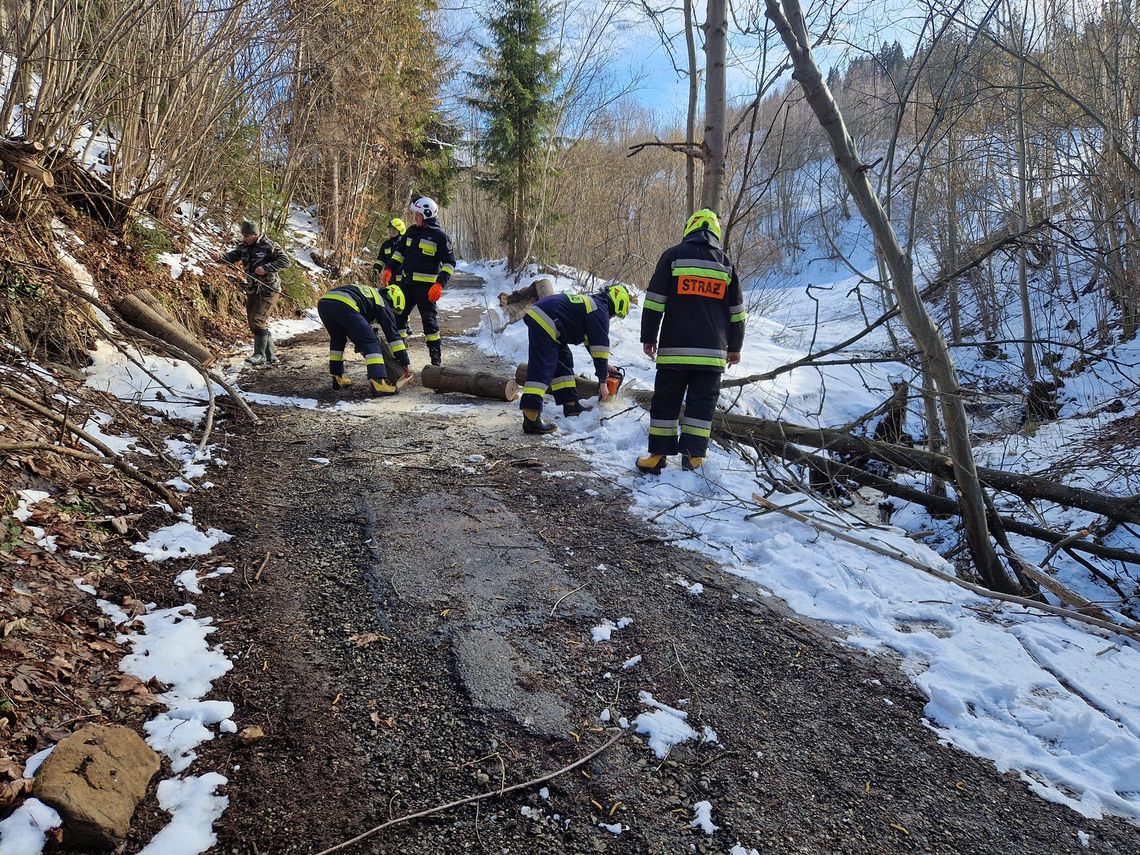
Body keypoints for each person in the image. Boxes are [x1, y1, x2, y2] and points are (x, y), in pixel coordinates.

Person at [637, 209, 746, 473]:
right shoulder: (725, 263)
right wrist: (735, 347)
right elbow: (737, 313)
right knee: (701, 404)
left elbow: (654, 302)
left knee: (666, 401)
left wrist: (648, 337)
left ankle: (658, 456)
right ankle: (693, 457)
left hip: (674, 350)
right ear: (715, 234)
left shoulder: (673, 256)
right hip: (711, 355)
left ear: (690, 229)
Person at [519, 284, 631, 435]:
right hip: (545, 320)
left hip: (548, 320)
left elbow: (593, 344)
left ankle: (571, 405)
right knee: (543, 367)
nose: (612, 318)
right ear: (617, 305)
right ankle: (531, 418)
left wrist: (606, 367)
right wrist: (603, 382)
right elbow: (601, 346)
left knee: (563, 360)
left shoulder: (594, 306)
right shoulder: (600, 311)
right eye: (616, 315)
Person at [382, 197, 456, 366]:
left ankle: (435, 362)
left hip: (426, 289)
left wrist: (439, 284)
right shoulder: (411, 231)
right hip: (406, 286)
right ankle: (400, 357)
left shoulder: (440, 237)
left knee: (429, 324)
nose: (415, 217)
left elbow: (450, 263)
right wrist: (389, 268)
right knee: (397, 319)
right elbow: (399, 252)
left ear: (427, 214)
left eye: (417, 214)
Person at [212, 220, 291, 365]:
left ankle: (259, 355)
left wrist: (266, 268)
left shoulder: (270, 245)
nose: (244, 238)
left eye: (247, 236)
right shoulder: (243, 247)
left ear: (255, 234)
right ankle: (271, 355)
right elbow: (230, 257)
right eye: (243, 235)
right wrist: (219, 257)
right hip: (252, 289)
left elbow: (285, 261)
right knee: (253, 323)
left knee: (257, 320)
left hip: (269, 289)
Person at [317, 282, 412, 396]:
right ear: (394, 302)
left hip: (325, 303)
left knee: (338, 339)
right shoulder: (383, 304)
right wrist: (404, 360)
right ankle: (378, 382)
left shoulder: (370, 296)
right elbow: (393, 336)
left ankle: (338, 377)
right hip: (344, 304)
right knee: (371, 341)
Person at [371, 217, 406, 286]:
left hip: (402, 279)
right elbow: (381, 259)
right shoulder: (386, 244)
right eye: (390, 229)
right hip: (388, 277)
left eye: (394, 229)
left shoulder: (404, 244)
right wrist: (376, 269)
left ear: (400, 230)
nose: (391, 231)